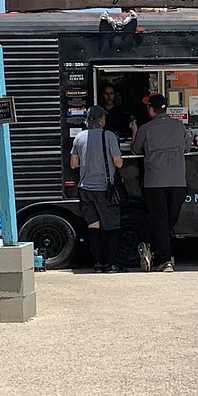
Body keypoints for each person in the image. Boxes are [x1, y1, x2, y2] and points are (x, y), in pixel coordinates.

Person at [130, 93, 191, 272]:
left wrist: (134, 130)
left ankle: (164, 259)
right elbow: (187, 147)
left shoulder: (145, 129)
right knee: (168, 221)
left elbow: (135, 149)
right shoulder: (179, 127)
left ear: (150, 109)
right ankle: (163, 255)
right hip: (178, 182)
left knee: (160, 222)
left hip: (155, 183)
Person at [70, 105, 126, 272]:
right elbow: (119, 162)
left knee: (93, 226)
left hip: (85, 189)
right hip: (104, 189)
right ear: (101, 120)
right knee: (112, 225)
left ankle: (98, 264)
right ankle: (110, 264)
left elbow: (73, 164)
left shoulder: (79, 137)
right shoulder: (108, 136)